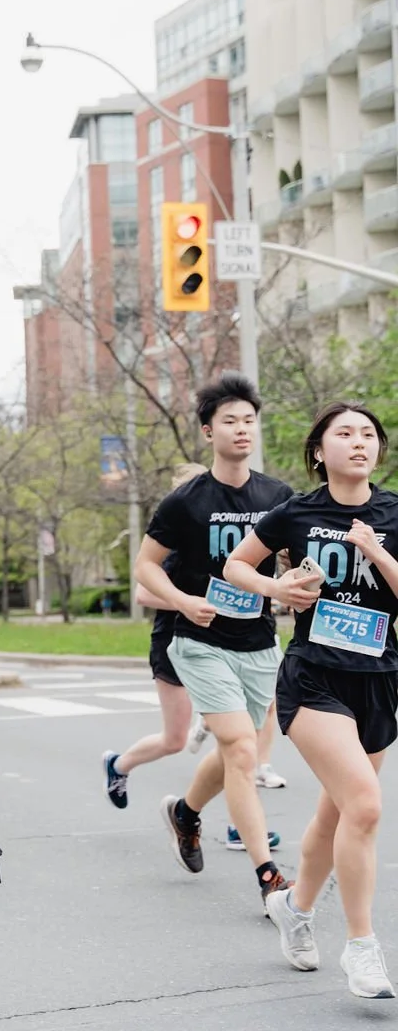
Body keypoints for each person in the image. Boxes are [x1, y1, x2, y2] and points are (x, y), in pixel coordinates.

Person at [225, 402, 398, 998]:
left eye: (368, 434)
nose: (359, 443)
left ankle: (295, 909)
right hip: (314, 676)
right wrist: (277, 588)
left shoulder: (394, 512)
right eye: (344, 434)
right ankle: (362, 947)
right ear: (320, 451)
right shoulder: (295, 513)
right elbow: (235, 564)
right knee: (366, 805)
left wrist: (375, 551)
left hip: (377, 677)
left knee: (337, 812)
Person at [133, 372, 294, 911]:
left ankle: (185, 813)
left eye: (250, 420)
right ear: (208, 431)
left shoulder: (277, 496)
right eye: (230, 421)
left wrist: (296, 588)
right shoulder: (185, 501)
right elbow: (146, 567)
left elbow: (292, 564)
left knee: (234, 751)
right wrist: (181, 600)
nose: (243, 429)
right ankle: (268, 876)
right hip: (198, 641)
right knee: (244, 750)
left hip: (258, 644)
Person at [104, 462, 283, 856]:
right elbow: (142, 592)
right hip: (177, 639)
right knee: (175, 739)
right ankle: (119, 765)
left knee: (238, 743)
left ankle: (239, 826)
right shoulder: (175, 545)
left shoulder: (234, 541)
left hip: (228, 644)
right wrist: (182, 601)